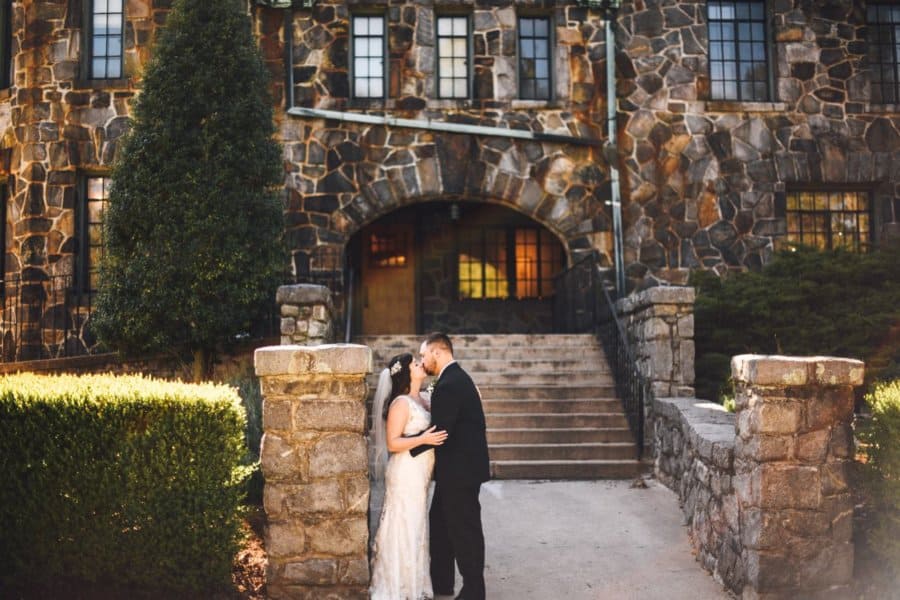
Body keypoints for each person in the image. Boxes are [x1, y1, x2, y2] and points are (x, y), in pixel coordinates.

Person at [411, 333, 491, 600]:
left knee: (464, 531)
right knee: (441, 527)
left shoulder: (449, 384)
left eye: (424, 355)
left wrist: (406, 447)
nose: (422, 361)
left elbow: (441, 431)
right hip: (458, 471)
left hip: (460, 473)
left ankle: (474, 591)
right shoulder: (454, 379)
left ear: (437, 352)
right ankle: (442, 585)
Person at [370, 352, 449, 600]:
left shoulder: (424, 398)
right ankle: (397, 586)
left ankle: (415, 583)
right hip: (405, 472)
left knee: (416, 525)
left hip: (421, 473)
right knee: (404, 523)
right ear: (407, 372)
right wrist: (424, 439)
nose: (421, 364)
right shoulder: (401, 404)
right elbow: (393, 443)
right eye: (416, 363)